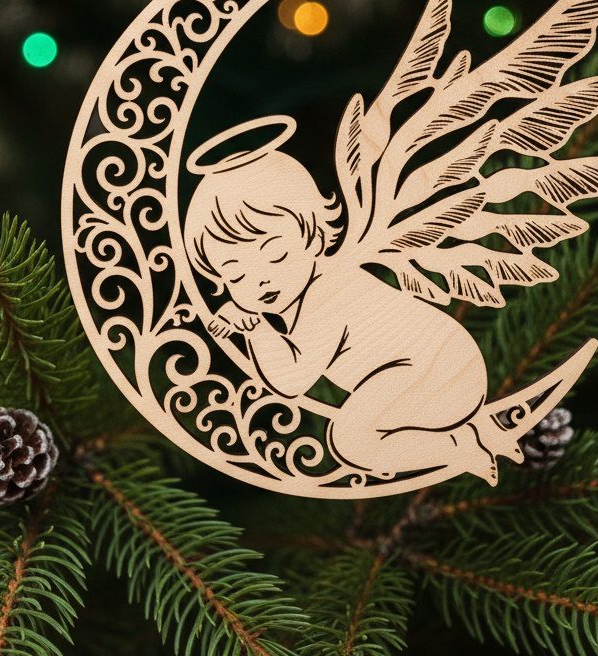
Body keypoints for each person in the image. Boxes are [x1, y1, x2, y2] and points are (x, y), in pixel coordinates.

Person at [183, 125, 509, 482]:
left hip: (434, 373)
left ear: (313, 235)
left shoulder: (327, 295)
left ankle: (458, 448)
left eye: (276, 254)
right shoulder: (316, 286)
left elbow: (291, 380)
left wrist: (255, 328)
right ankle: (474, 431)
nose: (260, 280)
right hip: (442, 368)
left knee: (351, 440)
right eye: (235, 275)